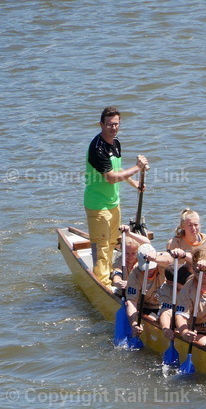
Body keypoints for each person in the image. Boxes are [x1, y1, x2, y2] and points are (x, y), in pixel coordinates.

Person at [83, 107, 149, 287]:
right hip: (97, 206)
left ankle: (111, 274)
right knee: (102, 247)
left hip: (113, 203)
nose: (113, 128)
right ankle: (102, 284)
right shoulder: (97, 148)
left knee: (113, 242)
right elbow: (111, 178)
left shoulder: (116, 143)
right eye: (109, 124)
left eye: (116, 124)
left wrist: (134, 183)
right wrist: (137, 167)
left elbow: (117, 170)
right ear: (101, 124)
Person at [124, 243, 171, 338]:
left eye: (152, 267)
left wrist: (155, 259)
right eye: (146, 268)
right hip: (146, 307)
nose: (149, 270)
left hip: (164, 304)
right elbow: (131, 303)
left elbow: (170, 259)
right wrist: (133, 323)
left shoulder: (162, 264)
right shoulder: (134, 275)